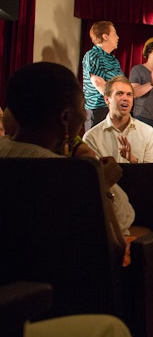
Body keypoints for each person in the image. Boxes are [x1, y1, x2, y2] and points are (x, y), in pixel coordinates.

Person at [0, 62, 130, 250]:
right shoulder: (66, 174)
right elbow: (113, 248)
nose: (85, 115)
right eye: (83, 105)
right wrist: (102, 185)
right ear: (66, 117)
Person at [83, 75, 153, 164]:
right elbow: (91, 175)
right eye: (120, 93)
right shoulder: (91, 137)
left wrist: (134, 161)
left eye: (129, 94)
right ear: (107, 99)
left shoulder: (148, 133)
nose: (125, 98)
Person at [82, 21, 124, 131]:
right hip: (97, 110)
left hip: (113, 109)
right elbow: (98, 82)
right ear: (105, 37)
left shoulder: (114, 60)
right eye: (114, 34)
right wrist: (116, 100)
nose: (118, 37)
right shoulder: (93, 55)